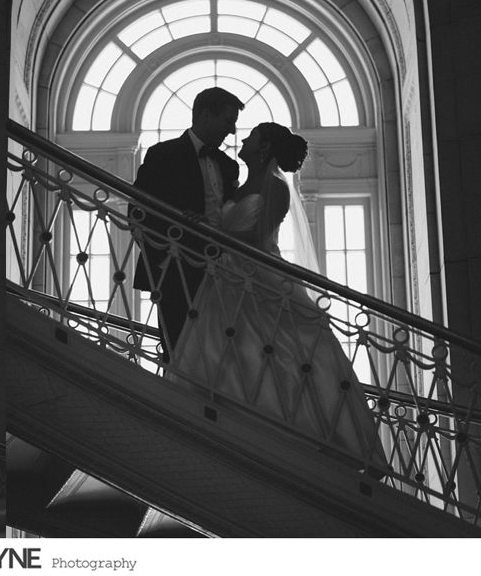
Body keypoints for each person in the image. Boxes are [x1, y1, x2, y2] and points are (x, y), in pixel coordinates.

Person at [166, 122, 388, 472]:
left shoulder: (276, 189)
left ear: (265, 147)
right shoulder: (237, 185)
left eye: (253, 136)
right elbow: (227, 225)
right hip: (225, 276)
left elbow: (256, 235)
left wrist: (210, 231)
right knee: (230, 349)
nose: (245, 139)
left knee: (279, 349)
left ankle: (296, 433)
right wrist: (208, 226)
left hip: (259, 274)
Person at [130, 86, 244, 360]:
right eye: (228, 121)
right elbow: (138, 211)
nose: (232, 131)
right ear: (206, 115)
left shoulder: (229, 165)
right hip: (174, 269)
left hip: (221, 273)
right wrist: (167, 247)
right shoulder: (163, 155)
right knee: (178, 350)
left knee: (219, 353)